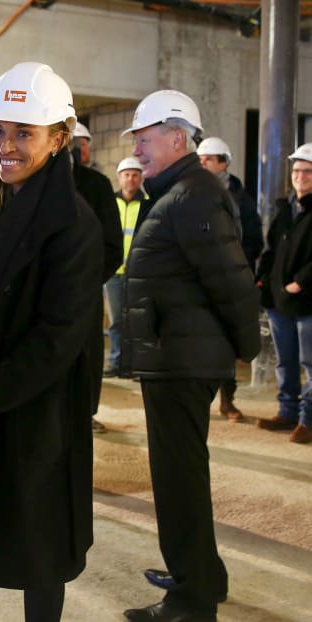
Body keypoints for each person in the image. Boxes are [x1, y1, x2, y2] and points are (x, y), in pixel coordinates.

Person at [0, 62, 103, 622]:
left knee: (39, 544)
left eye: (23, 133)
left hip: (36, 415)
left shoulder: (74, 225)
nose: (5, 146)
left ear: (59, 139)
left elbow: (55, 344)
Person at [120, 90, 260, 622]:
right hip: (176, 357)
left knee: (178, 481)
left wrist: (246, 349)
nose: (137, 147)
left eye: (146, 136)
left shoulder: (192, 196)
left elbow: (230, 278)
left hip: (183, 362)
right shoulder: (179, 192)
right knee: (184, 475)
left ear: (178, 137)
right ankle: (202, 572)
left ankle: (191, 599)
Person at [197, 136, 264, 421]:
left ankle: (227, 399)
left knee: (226, 343)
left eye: (208, 160)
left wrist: (230, 264)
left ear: (224, 163)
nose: (202, 164)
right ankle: (200, 399)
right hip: (197, 281)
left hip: (228, 282)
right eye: (199, 159)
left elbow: (253, 242)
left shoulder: (242, 201)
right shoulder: (190, 193)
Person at [254, 143, 312, 444]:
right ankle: (287, 412)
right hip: (279, 300)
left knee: (310, 363)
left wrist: (301, 281)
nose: (300, 176)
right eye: (296, 170)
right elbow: (271, 248)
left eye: (307, 171)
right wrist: (262, 277)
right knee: (285, 360)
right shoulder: (286, 209)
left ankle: (308, 419)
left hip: (306, 301)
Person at [70, 124, 123, 432]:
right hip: (44, 292)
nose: (82, 150)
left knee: (87, 352)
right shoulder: (34, 183)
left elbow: (113, 246)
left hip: (84, 291)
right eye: (77, 144)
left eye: (84, 144)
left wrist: (88, 281)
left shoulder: (97, 186)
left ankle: (85, 411)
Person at [103, 156, 145, 377]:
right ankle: (116, 361)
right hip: (115, 274)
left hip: (138, 273)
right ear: (119, 178)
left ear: (141, 178)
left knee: (136, 321)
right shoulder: (110, 202)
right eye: (126, 175)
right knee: (117, 320)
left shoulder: (147, 203)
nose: (130, 179)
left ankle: (134, 364)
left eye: (135, 174)